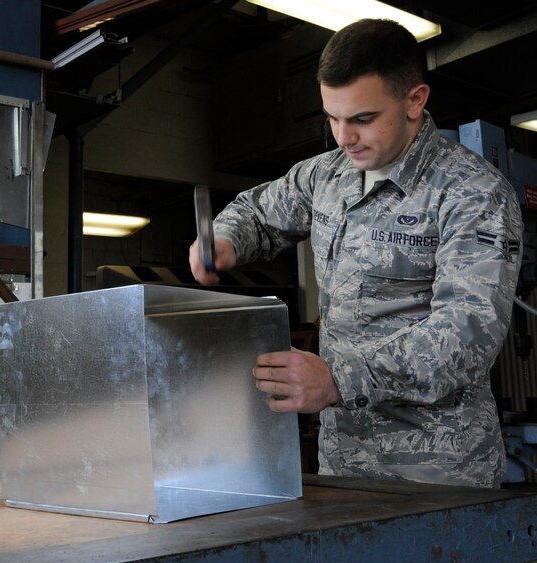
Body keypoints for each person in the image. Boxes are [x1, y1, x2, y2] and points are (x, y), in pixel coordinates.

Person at [189, 18, 522, 488]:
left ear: (415, 100)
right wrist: (224, 240)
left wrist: (338, 380)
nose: (344, 137)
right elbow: (257, 212)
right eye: (332, 117)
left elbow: (467, 335)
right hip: (343, 461)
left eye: (363, 118)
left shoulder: (472, 193)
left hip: (438, 471)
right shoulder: (326, 176)